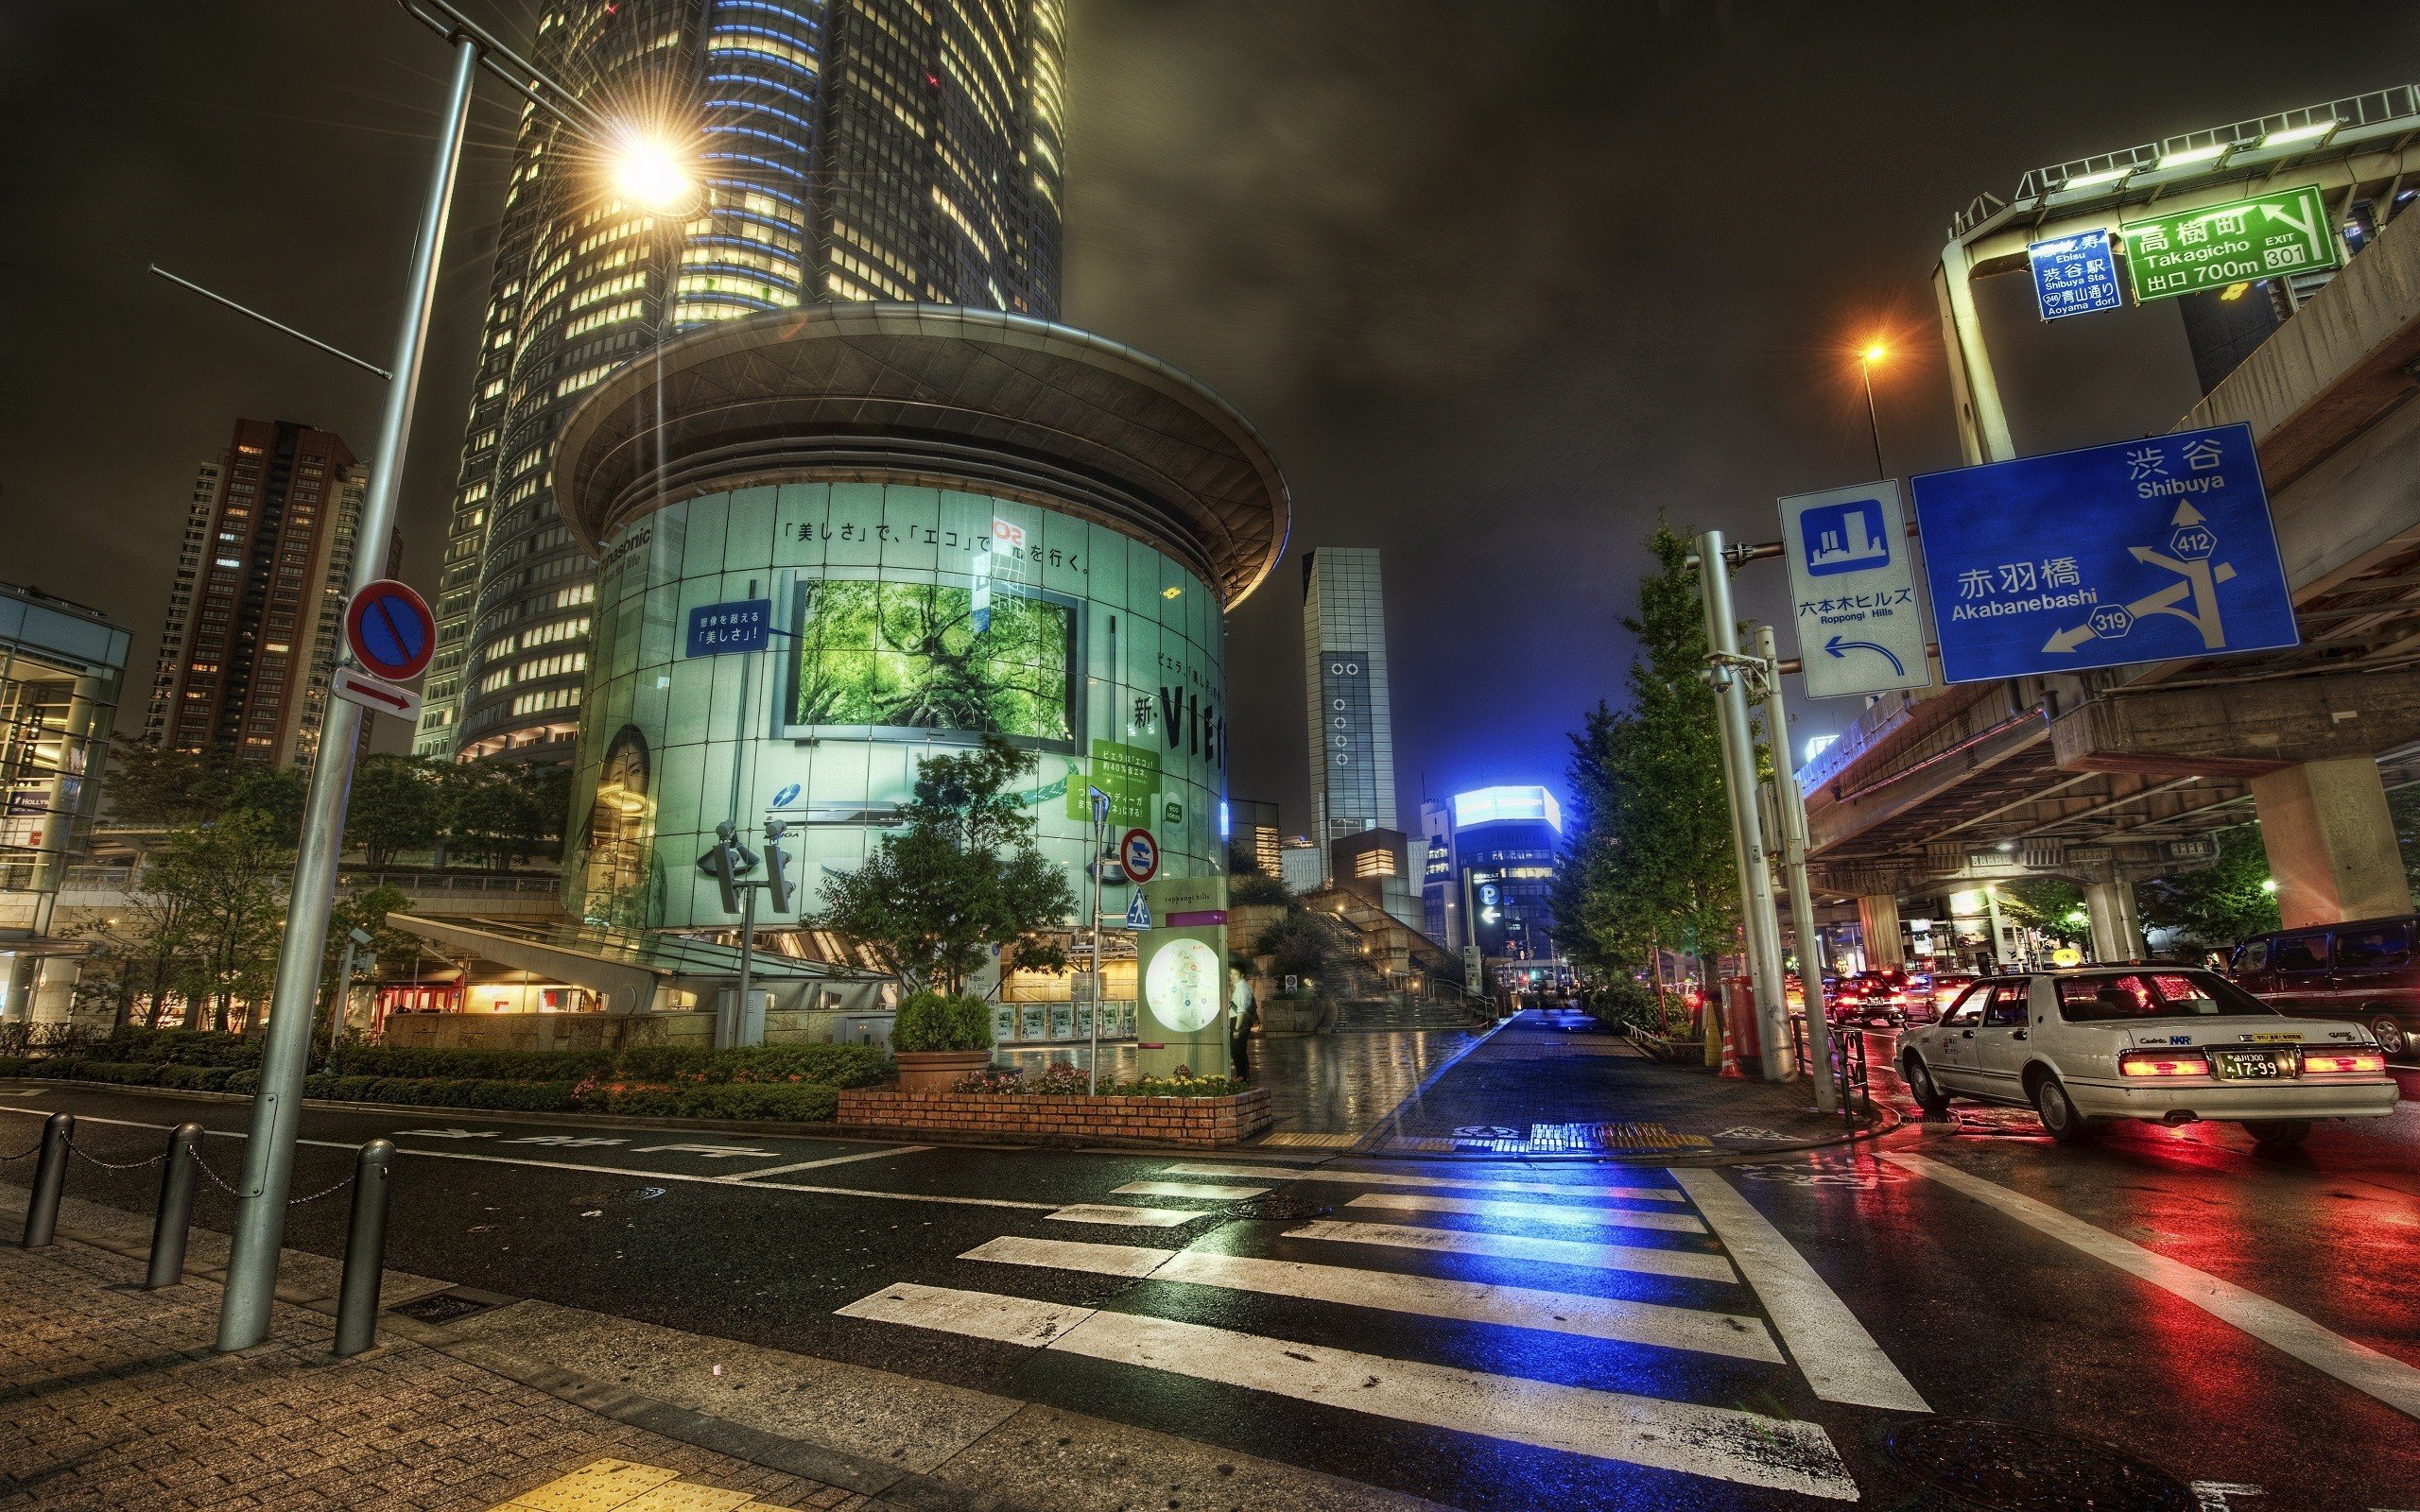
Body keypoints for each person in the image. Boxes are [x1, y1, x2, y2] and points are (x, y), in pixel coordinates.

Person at [1228, 967, 1258, 1082]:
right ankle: (1242, 1077)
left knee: (1238, 1052)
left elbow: (1241, 1011)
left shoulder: (1241, 988)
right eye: (1231, 974)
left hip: (1238, 1022)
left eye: (1235, 974)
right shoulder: (1239, 987)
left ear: (1242, 975)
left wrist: (1236, 1029)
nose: (1232, 976)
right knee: (1239, 1052)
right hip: (1238, 1021)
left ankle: (1243, 1078)